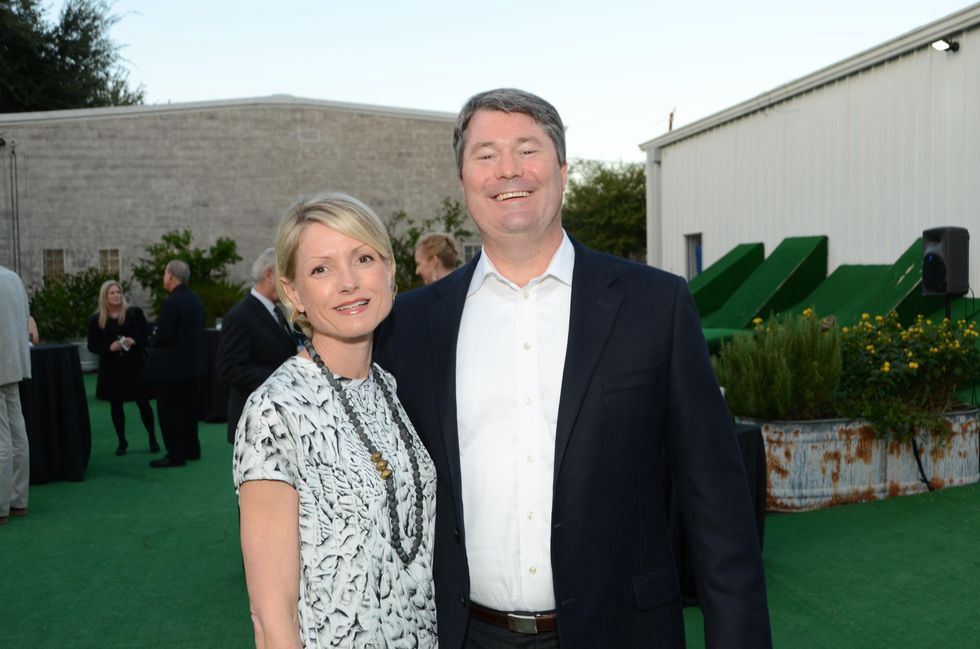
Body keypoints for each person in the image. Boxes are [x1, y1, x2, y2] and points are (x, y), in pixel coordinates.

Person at [374, 89, 772, 649]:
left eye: (527, 150)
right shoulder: (408, 327)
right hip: (464, 636)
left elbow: (715, 497)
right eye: (485, 155)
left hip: (624, 632)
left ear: (563, 168)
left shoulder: (655, 305)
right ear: (463, 180)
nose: (507, 169)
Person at [233, 192, 437, 648]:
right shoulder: (275, 412)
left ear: (389, 271)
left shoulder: (388, 387)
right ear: (293, 293)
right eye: (321, 268)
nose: (348, 281)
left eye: (363, 258)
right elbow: (271, 618)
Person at [217, 247, 296, 445]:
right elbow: (229, 369)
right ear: (269, 274)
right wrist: (280, 378)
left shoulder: (276, 311)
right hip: (254, 419)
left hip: (275, 415)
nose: (290, 283)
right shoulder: (240, 315)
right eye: (285, 275)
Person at [143, 260, 205, 468]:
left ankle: (175, 455)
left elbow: (165, 335)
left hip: (170, 369)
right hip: (191, 367)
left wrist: (152, 338)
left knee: (169, 413)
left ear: (170, 276)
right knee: (188, 411)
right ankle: (192, 449)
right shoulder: (195, 300)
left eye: (164, 274)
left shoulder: (172, 302)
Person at [87, 280, 159, 456]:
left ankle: (153, 438)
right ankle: (122, 442)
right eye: (111, 293)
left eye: (118, 292)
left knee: (143, 403)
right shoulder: (96, 320)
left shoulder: (134, 314)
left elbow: (147, 336)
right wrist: (109, 348)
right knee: (116, 405)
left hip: (135, 366)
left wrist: (134, 341)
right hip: (112, 369)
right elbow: (92, 345)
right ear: (105, 296)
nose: (116, 296)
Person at [0, 265, 32, 525]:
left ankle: (1, 505)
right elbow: (26, 319)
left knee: (3, 437)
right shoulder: (12, 278)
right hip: (14, 364)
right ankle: (18, 499)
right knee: (16, 430)